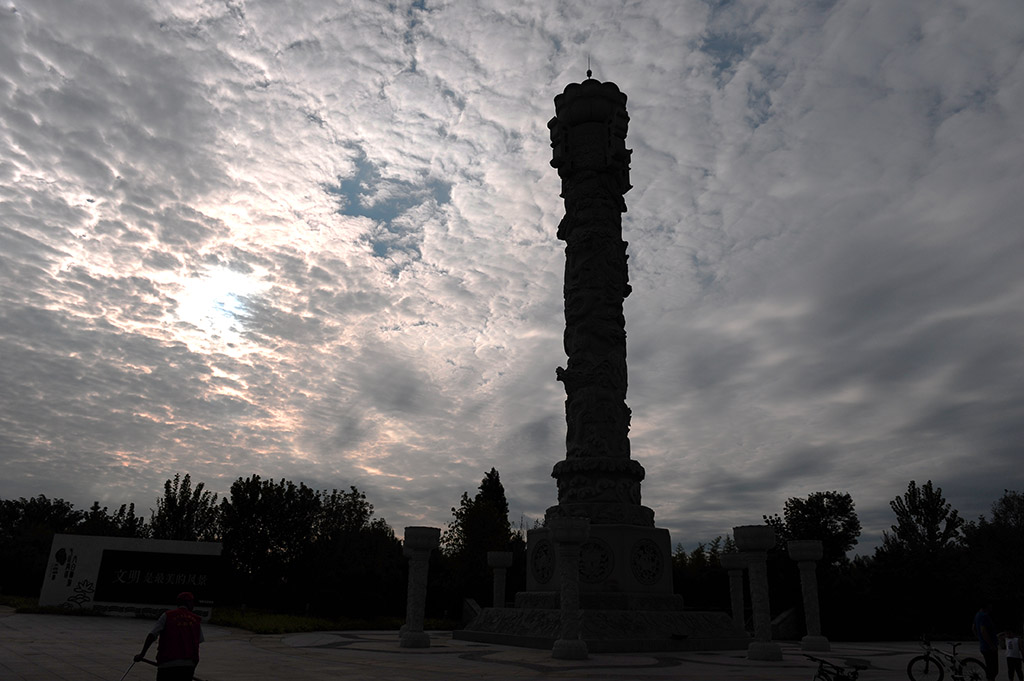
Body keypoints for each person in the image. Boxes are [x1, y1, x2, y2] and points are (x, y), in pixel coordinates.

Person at [135, 591, 204, 680]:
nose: (193, 605)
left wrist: (142, 654)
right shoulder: (196, 620)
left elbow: (152, 635)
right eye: (192, 602)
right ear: (188, 603)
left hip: (167, 663)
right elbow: (197, 642)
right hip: (188, 665)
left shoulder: (167, 616)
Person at [973, 604, 999, 681]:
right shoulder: (984, 616)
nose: (991, 607)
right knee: (993, 670)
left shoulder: (977, 615)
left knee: (989, 668)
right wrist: (991, 644)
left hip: (984, 646)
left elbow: (973, 628)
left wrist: (980, 639)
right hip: (989, 647)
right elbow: (983, 630)